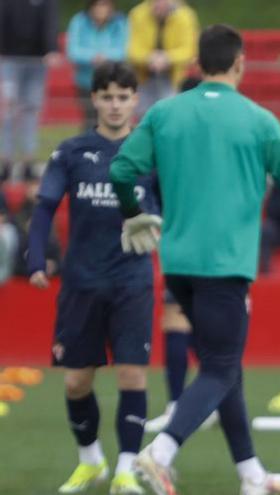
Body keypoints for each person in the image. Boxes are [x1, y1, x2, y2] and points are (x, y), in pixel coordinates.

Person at [110, 24, 280, 495]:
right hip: (227, 265)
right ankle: (160, 452)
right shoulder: (258, 119)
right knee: (222, 368)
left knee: (226, 370)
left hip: (178, 263)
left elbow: (122, 169)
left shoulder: (165, 112)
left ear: (197, 65)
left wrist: (133, 214)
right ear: (240, 62)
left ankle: (251, 474)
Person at [26, 61, 156, 495]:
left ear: (135, 100)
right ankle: (91, 461)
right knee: (77, 380)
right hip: (81, 283)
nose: (116, 105)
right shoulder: (71, 152)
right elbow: (44, 208)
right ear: (95, 99)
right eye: (108, 96)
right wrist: (36, 257)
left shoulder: (150, 153)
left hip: (132, 282)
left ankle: (125, 469)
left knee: (132, 376)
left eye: (124, 97)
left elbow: (174, 209)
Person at [0, 0, 62, 183]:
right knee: (9, 111)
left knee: (31, 111)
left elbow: (51, 22)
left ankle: (28, 161)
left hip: (37, 62)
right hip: (10, 60)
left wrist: (51, 49)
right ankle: (6, 161)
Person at [127, 0, 199, 115]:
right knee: (142, 117)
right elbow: (131, 50)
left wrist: (167, 58)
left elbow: (189, 50)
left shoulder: (186, 15)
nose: (160, 4)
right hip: (142, 77)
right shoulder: (137, 14)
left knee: (169, 114)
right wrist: (149, 58)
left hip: (174, 78)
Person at [66, 0, 129, 131]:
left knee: (111, 119)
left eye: (104, 4)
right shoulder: (79, 21)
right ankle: (89, 148)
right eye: (97, 5)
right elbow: (73, 51)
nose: (101, 9)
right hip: (86, 81)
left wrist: (105, 57)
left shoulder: (119, 22)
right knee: (90, 119)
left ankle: (111, 149)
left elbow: (124, 50)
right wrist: (92, 57)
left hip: (112, 81)